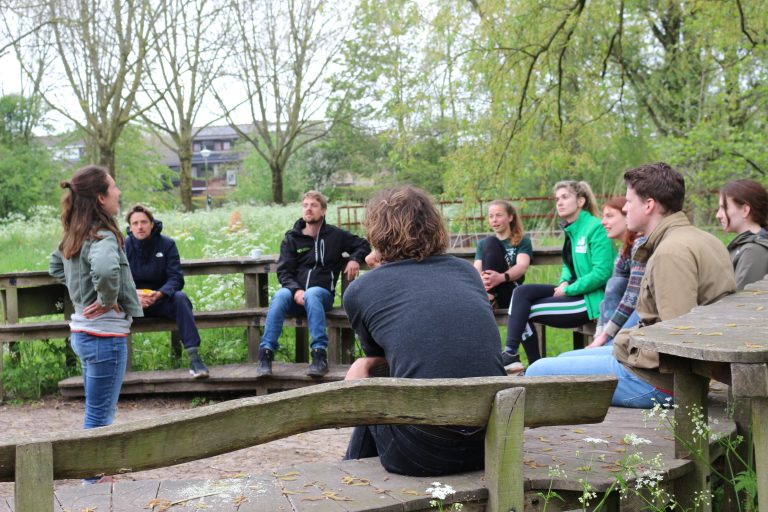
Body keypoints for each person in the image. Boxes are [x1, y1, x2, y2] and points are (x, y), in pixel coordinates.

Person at [527, 163, 736, 408]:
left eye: (629, 202)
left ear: (648, 205)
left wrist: (627, 343)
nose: (625, 208)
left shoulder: (670, 253)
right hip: (655, 367)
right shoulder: (704, 239)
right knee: (564, 358)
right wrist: (626, 340)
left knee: (537, 371)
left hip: (659, 382)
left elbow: (679, 340)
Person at [342, 185, 506, 476]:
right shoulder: (466, 271)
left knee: (372, 388)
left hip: (422, 452)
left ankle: (347, 481)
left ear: (377, 233)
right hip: (492, 442)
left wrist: (362, 364)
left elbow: (384, 363)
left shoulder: (361, 290)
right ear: (434, 225)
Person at [49, 166, 143, 446]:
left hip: (84, 334)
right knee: (101, 416)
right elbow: (103, 270)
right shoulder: (103, 234)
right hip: (104, 337)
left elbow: (55, 265)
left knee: (96, 412)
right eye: (113, 187)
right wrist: (106, 299)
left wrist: (81, 289)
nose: (119, 192)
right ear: (101, 198)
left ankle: (95, 477)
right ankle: (94, 480)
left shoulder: (75, 234)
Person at [502, 181, 615, 370]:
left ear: (580, 201)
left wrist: (569, 289)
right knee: (522, 293)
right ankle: (511, 354)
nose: (559, 203)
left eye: (565, 197)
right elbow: (568, 264)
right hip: (573, 290)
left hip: (590, 299)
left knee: (524, 312)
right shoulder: (572, 229)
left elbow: (602, 272)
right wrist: (564, 281)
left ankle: (534, 367)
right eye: (557, 199)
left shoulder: (594, 228)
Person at [257, 191, 370, 377]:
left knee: (313, 293)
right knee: (280, 295)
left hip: (321, 296)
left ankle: (319, 355)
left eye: (314, 205)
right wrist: (295, 290)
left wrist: (355, 259)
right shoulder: (292, 238)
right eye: (305, 205)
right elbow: (284, 271)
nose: (308, 209)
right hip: (296, 297)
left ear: (323, 211)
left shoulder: (336, 236)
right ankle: (265, 354)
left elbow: (363, 244)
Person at [124, 204, 209, 379]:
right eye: (135, 223)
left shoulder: (167, 244)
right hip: (131, 303)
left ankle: (195, 359)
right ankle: (115, 368)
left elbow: (176, 278)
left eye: (144, 222)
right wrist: (135, 296)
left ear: (152, 224)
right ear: (130, 227)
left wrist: (159, 294)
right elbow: (117, 280)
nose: (140, 226)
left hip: (159, 300)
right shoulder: (122, 247)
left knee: (180, 298)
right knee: (109, 302)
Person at [589, 197, 643, 348]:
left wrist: (604, 337)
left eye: (609, 216)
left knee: (617, 283)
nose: (602, 222)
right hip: (621, 323)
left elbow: (633, 296)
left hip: (639, 322)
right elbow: (607, 298)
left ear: (627, 216)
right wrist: (599, 335)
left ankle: (611, 346)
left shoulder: (641, 245)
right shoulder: (623, 251)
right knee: (615, 282)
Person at [473, 200, 533, 308]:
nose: (494, 220)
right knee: (490, 241)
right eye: (491, 216)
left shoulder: (522, 241)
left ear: (510, 217)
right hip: (486, 291)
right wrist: (484, 280)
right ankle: (490, 298)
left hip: (511, 291)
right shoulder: (483, 244)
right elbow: (477, 270)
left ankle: (489, 299)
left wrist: (500, 278)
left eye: (498, 215)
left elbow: (522, 266)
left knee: (491, 241)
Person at [716, 179, 768, 290]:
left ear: (745, 210)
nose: (718, 215)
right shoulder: (747, 245)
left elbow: (743, 302)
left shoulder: (754, 250)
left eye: (724, 208)